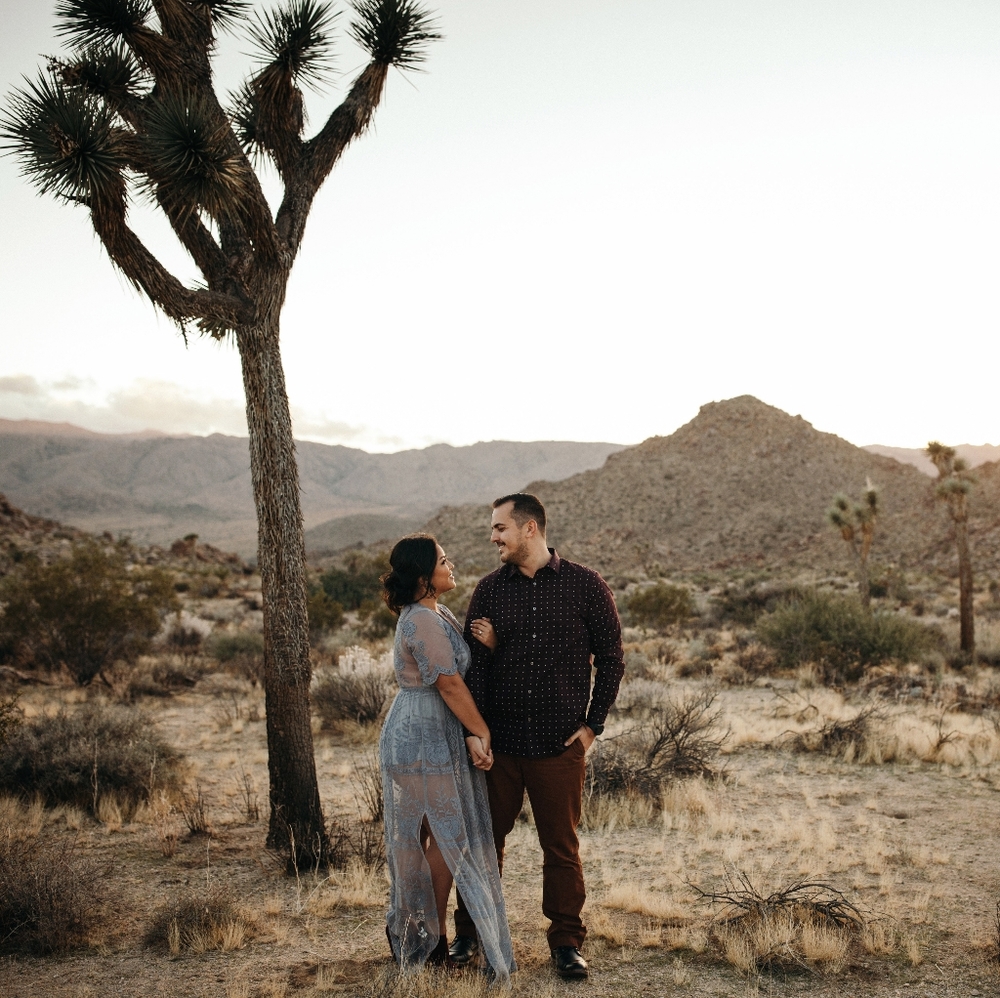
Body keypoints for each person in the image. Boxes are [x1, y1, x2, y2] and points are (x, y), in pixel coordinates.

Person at [450, 494, 625, 980]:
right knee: (483, 843)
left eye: (500, 528)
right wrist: (474, 731)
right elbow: (474, 667)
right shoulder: (488, 591)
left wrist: (593, 726)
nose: (493, 537)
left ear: (530, 529)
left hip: (558, 746)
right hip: (499, 746)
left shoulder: (586, 586)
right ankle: (469, 932)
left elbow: (611, 658)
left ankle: (567, 941)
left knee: (561, 847)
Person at [379, 533, 516, 982]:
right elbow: (450, 685)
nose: (450, 564)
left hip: (439, 729)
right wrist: (481, 730)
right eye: (442, 560)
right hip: (421, 734)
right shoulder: (420, 620)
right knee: (439, 836)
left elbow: (462, 674)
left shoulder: (439, 613)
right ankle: (428, 938)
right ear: (424, 577)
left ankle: (420, 931)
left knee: (436, 835)